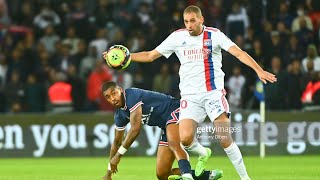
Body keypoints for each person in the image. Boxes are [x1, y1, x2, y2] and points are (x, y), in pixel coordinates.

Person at [124, 5, 277, 180]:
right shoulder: (177, 37)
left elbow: (239, 53)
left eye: (192, 21)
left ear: (201, 19)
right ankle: (204, 153)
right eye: (186, 21)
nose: (189, 25)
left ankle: (245, 178)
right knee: (185, 138)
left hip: (212, 94)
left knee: (224, 138)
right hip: (190, 97)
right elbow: (150, 55)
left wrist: (259, 70)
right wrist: (128, 56)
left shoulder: (215, 35)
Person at [101, 81, 223, 180]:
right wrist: (108, 173)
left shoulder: (131, 95)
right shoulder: (119, 115)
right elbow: (116, 142)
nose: (112, 98)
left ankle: (187, 175)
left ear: (120, 90)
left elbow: (135, 129)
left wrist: (119, 155)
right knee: (162, 173)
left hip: (174, 109)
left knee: (173, 143)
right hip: (166, 125)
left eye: (114, 93)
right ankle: (208, 175)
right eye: (108, 97)